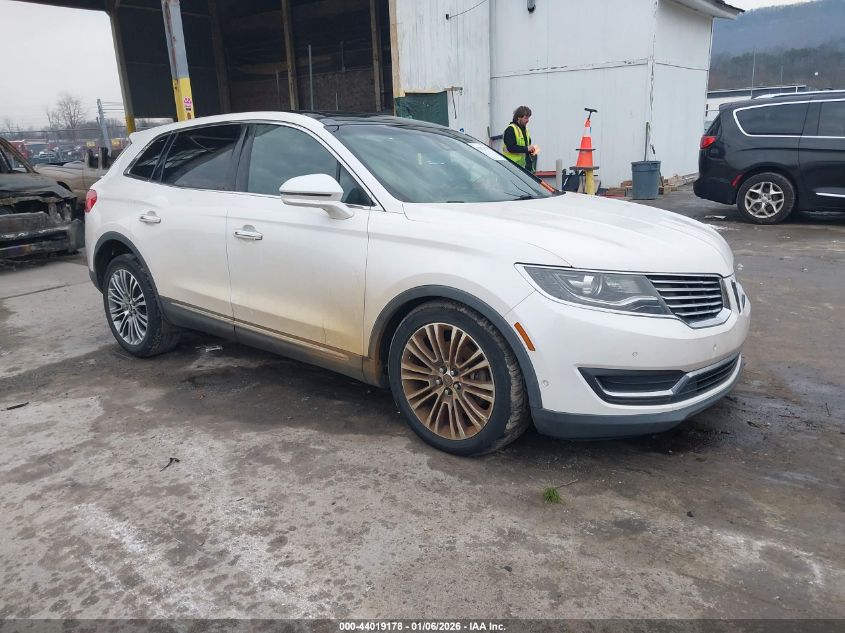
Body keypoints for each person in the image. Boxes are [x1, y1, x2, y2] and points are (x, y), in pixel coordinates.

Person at [502, 105, 538, 173]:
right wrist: (527, 149)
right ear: (518, 117)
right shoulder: (510, 129)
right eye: (525, 118)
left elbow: (525, 148)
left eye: (528, 118)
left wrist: (531, 150)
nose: (528, 121)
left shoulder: (525, 130)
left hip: (524, 169)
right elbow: (511, 148)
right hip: (512, 168)